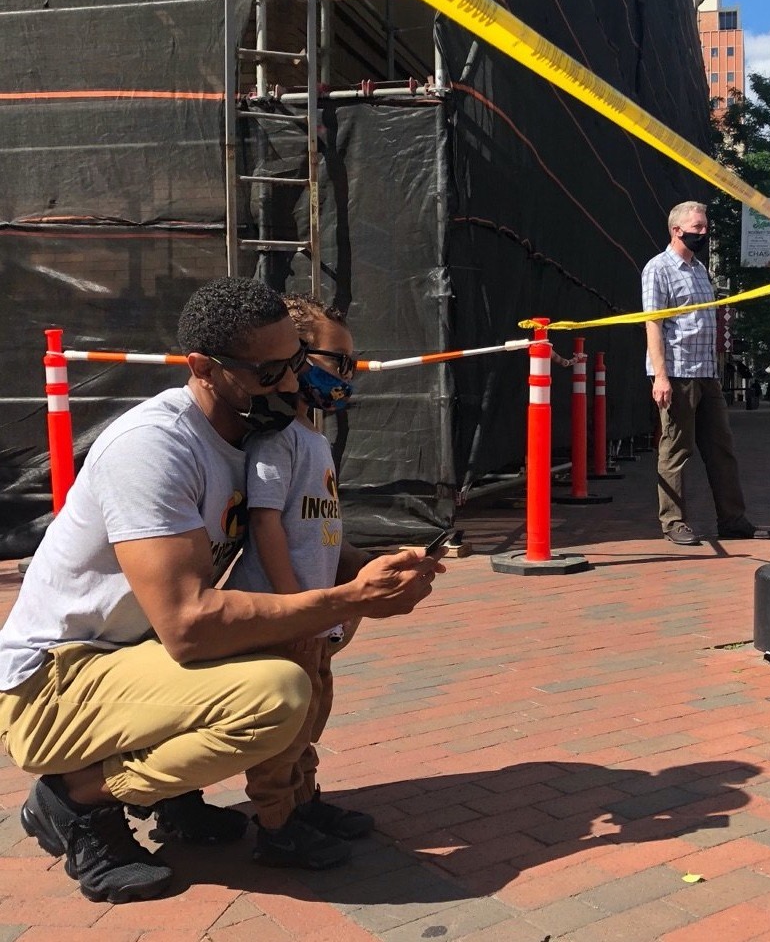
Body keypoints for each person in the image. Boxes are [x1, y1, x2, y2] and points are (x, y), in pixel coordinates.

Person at [0, 278, 444, 904]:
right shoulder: (153, 447)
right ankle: (76, 800)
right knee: (275, 693)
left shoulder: (253, 439)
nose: (292, 385)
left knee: (279, 661)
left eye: (297, 362)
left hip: (133, 657)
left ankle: (177, 796)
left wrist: (370, 567)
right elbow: (189, 625)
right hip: (55, 678)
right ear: (204, 368)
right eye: (270, 372)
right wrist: (349, 600)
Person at [222, 295, 372, 870]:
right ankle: (276, 825)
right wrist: (296, 604)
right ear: (296, 357)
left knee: (312, 715)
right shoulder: (276, 440)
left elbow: (319, 528)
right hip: (288, 613)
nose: (346, 375)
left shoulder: (314, 441)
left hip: (317, 615)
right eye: (339, 361)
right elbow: (265, 524)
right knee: (282, 731)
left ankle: (304, 803)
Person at [643, 201, 760, 546]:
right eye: (698, 227)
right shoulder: (658, 269)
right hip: (677, 373)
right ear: (677, 230)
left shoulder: (699, 270)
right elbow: (653, 324)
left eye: (705, 227)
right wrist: (661, 376)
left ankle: (732, 518)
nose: (704, 233)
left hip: (706, 374)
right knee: (676, 449)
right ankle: (674, 521)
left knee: (721, 447)